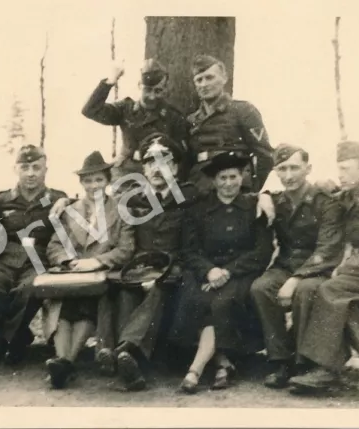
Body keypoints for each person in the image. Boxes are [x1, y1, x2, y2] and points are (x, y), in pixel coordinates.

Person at [94, 132, 201, 392]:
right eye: (151, 162)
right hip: (137, 266)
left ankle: (127, 348)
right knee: (112, 287)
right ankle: (109, 350)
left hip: (171, 266)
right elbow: (98, 203)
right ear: (144, 168)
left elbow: (189, 246)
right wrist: (62, 201)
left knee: (157, 288)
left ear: (175, 168)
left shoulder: (190, 197)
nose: (156, 168)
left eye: (164, 161)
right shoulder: (132, 199)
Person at [250, 144, 345, 388]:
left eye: (295, 168)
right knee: (261, 287)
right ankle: (281, 360)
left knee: (306, 290)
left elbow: (328, 249)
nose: (289, 175)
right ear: (276, 172)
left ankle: (306, 362)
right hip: (286, 265)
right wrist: (262, 196)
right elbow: (247, 198)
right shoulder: (277, 200)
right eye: (282, 169)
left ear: (308, 169)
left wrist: (296, 279)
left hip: (318, 268)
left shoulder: (325, 201)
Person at [289, 141, 359, 401]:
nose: (341, 174)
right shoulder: (351, 193)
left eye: (347, 168)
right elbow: (331, 193)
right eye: (339, 168)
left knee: (330, 290)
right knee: (347, 305)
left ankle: (326, 368)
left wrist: (347, 266)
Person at [179, 151, 274, 390]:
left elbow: (261, 252)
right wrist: (209, 270)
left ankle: (195, 370)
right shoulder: (199, 209)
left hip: (242, 273)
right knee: (195, 299)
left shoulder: (255, 206)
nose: (228, 183)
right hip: (207, 273)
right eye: (222, 178)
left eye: (233, 176)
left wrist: (228, 272)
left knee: (221, 303)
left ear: (242, 177)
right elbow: (189, 251)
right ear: (214, 181)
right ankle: (223, 362)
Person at [42, 151, 135, 389]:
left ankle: (64, 363)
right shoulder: (70, 210)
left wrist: (96, 262)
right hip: (71, 274)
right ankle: (64, 362)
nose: (93, 186)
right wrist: (67, 261)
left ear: (107, 181)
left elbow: (126, 249)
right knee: (61, 307)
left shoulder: (121, 210)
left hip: (100, 275)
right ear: (81, 183)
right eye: (88, 181)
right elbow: (54, 245)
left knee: (85, 307)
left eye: (99, 180)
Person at [0, 145, 70, 370]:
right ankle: (19, 336)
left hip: (38, 257)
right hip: (6, 255)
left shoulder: (56, 198)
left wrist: (69, 202)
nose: (31, 173)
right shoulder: (0, 200)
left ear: (45, 169)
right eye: (25, 167)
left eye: (36, 167)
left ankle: (2, 342)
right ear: (15, 169)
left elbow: (80, 209)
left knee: (29, 290)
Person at [81, 58, 193, 190]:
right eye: (148, 90)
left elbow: (182, 157)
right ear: (139, 85)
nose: (152, 96)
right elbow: (90, 110)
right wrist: (111, 80)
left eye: (158, 91)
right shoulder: (125, 109)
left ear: (165, 89)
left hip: (159, 174)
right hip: (127, 174)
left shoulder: (173, 117)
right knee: (120, 206)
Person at [186, 54, 274, 194]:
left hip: (235, 189)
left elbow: (265, 155)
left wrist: (251, 188)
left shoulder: (243, 111)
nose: (204, 84)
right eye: (199, 80)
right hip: (201, 190)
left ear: (224, 78)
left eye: (209, 77)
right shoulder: (191, 120)